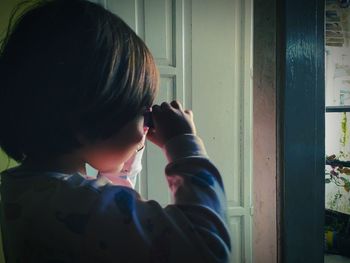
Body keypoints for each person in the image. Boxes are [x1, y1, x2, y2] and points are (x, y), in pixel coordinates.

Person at [0, 0, 231, 262]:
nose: (147, 126)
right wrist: (184, 144)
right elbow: (205, 248)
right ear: (89, 117)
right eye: (143, 114)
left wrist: (122, 161)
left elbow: (112, 209)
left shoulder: (29, 191)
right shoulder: (81, 205)